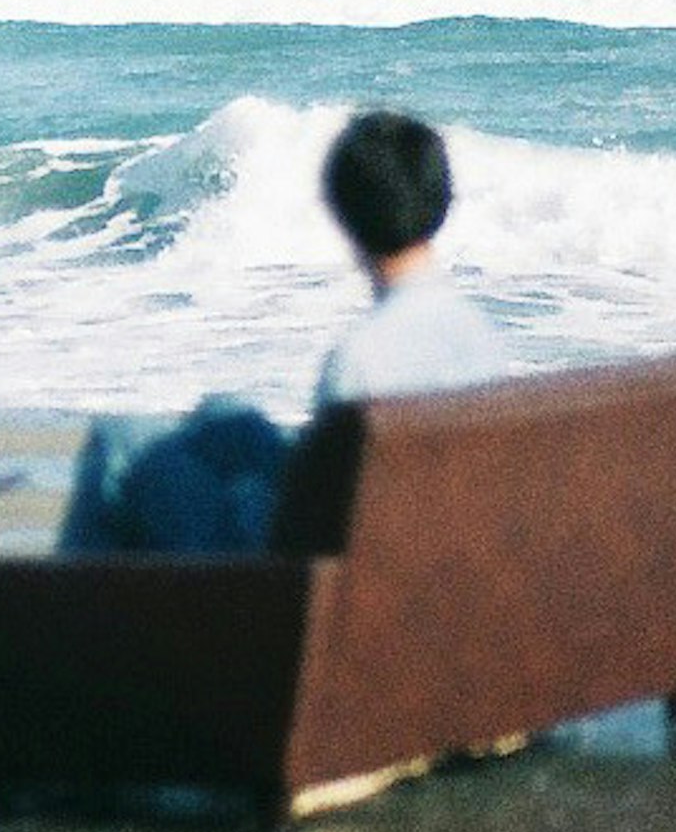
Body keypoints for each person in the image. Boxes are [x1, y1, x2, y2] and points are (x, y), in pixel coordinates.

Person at [58, 108, 514, 554]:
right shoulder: (481, 334)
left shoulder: (362, 359)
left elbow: (313, 531)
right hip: (414, 542)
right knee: (225, 413)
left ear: (343, 214)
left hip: (291, 576)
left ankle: (65, 619)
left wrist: (248, 498)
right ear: (442, 202)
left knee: (121, 439)